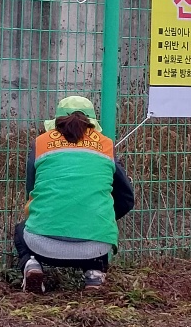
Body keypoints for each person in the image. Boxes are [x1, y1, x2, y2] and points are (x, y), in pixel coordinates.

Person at [14, 96, 136, 293]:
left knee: (20, 229)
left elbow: (31, 189)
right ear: (92, 121)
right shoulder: (106, 145)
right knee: (100, 224)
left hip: (42, 245)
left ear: (57, 120)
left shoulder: (40, 143)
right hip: (96, 247)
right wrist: (103, 216)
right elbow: (127, 198)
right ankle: (94, 274)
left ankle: (32, 264)